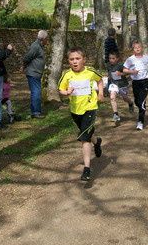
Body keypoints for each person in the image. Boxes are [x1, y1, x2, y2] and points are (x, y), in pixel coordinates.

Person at [58, 47, 104, 181]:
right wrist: (66, 93)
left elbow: (100, 80)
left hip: (90, 108)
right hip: (75, 110)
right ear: (68, 61)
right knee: (87, 134)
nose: (74, 61)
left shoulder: (90, 72)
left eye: (77, 59)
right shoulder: (67, 74)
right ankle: (97, 141)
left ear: (84, 60)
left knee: (84, 137)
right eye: (71, 59)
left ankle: (87, 169)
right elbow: (61, 88)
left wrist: (100, 93)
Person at [123, 41, 148, 130]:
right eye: (135, 47)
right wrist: (132, 72)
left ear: (142, 48)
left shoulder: (146, 58)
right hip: (135, 82)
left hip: (145, 81)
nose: (137, 48)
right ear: (133, 49)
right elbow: (124, 70)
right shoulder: (130, 59)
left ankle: (140, 122)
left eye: (139, 47)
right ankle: (136, 104)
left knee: (142, 103)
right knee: (137, 101)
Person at [23, 30, 48, 119]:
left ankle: (34, 111)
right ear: (43, 38)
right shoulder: (36, 46)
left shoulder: (40, 46)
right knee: (36, 92)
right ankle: (36, 112)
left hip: (36, 73)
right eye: (46, 39)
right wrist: (24, 66)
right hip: (33, 73)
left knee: (35, 92)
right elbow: (27, 57)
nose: (47, 41)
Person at [107, 50, 134, 124]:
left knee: (125, 98)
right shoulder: (108, 65)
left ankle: (131, 103)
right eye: (110, 58)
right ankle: (115, 114)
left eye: (113, 58)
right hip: (114, 84)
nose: (111, 60)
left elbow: (128, 73)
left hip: (122, 84)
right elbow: (110, 73)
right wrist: (108, 77)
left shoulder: (121, 66)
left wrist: (121, 74)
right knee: (112, 97)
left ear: (117, 59)